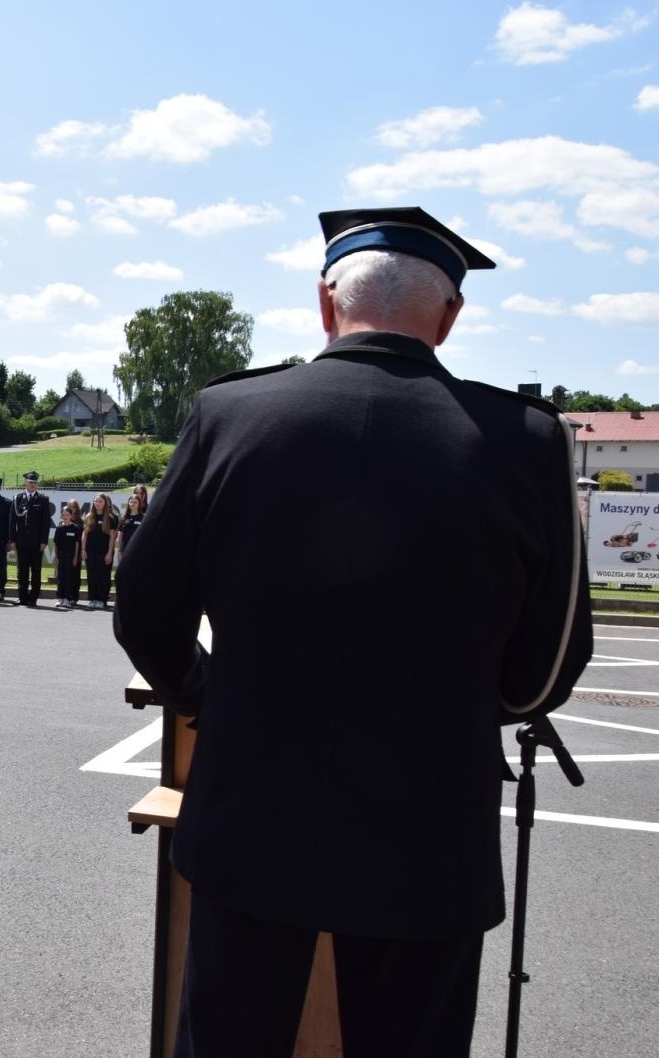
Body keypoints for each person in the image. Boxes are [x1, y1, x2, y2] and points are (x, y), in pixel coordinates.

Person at [114, 206, 593, 1058]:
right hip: (429, 827)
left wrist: (206, 696)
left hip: (251, 813)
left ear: (326, 304)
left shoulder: (230, 414)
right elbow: (550, 659)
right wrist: (464, 711)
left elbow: (145, 611)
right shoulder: (525, 442)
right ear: (449, 318)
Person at [13, 471, 52, 607]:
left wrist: (43, 541)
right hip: (21, 541)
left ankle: (33, 598)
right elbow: (12, 521)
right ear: (25, 483)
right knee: (22, 571)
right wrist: (12, 540)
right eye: (30, 482)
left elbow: (46, 523)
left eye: (35, 483)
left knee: (36, 571)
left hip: (36, 543)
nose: (32, 485)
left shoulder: (42, 499)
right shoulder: (18, 498)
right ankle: (22, 597)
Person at [81, 493, 117, 609]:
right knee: (92, 575)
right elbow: (84, 534)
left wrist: (109, 553)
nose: (98, 503)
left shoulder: (110, 518)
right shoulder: (89, 516)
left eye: (100, 501)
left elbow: (112, 537)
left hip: (104, 552)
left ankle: (102, 599)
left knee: (103, 575)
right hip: (90, 551)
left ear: (105, 503)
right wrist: (83, 550)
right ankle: (93, 598)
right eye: (96, 501)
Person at [52, 502, 82, 608]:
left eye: (67, 515)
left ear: (71, 516)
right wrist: (56, 557)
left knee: (69, 577)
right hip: (61, 556)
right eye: (63, 515)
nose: (65, 517)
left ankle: (67, 599)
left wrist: (75, 557)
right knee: (61, 577)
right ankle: (60, 598)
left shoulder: (75, 528)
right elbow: (56, 544)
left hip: (71, 556)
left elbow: (77, 544)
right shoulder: (59, 528)